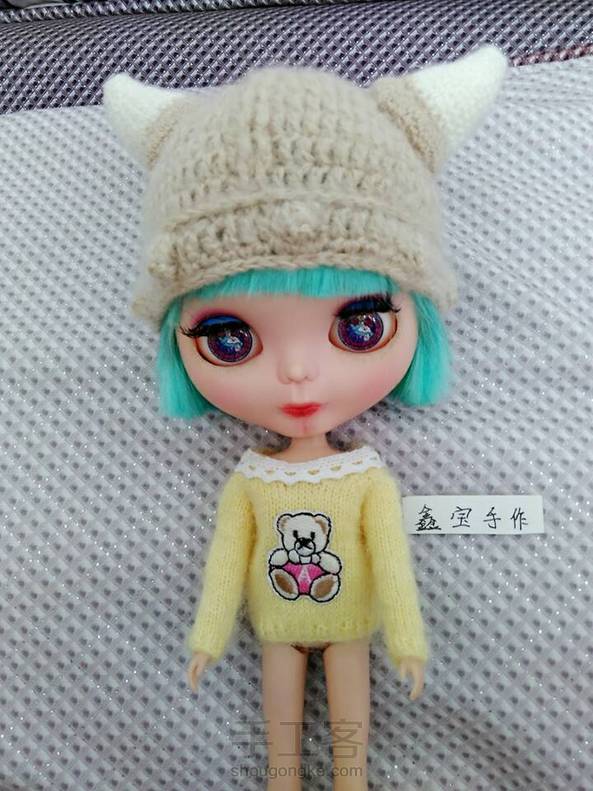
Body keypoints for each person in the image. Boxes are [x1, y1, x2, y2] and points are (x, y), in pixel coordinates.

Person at [103, 45, 507, 791]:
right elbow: (227, 561)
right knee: (280, 739)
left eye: (359, 326)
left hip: (350, 623)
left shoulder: (365, 478)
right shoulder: (252, 480)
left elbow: (392, 563)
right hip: (277, 627)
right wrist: (207, 635)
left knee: (350, 739)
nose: (297, 373)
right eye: (230, 339)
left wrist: (408, 641)